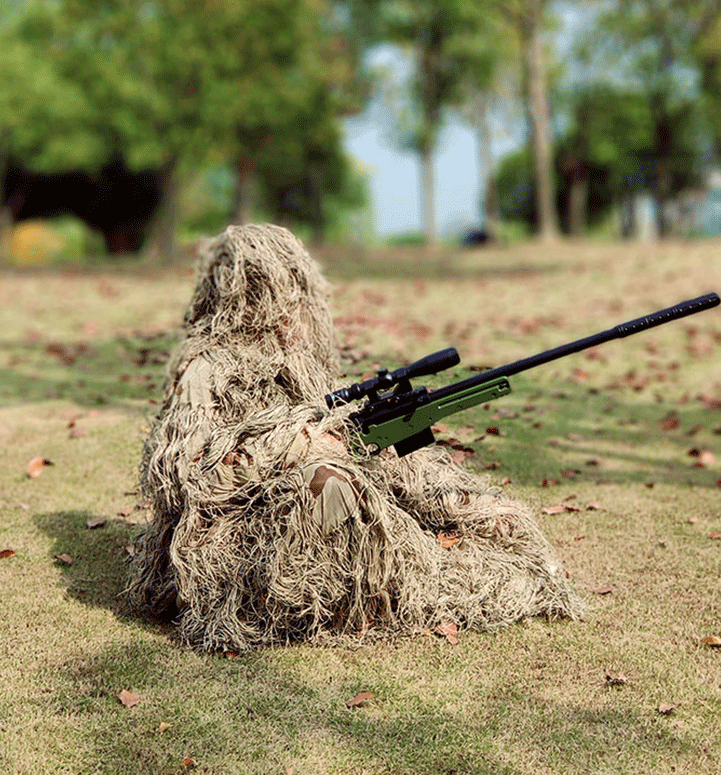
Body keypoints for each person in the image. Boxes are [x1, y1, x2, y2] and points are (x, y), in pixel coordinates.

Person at [127, 224, 580, 651]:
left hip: (317, 510)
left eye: (301, 294)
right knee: (329, 482)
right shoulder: (207, 369)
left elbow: (381, 452)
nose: (299, 309)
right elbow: (186, 471)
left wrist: (463, 502)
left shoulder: (299, 365)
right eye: (285, 295)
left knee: (430, 502)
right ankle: (334, 596)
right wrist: (302, 441)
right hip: (242, 534)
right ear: (246, 298)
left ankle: (377, 574)